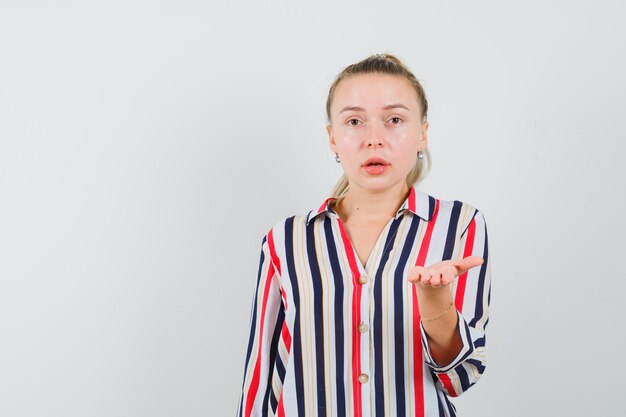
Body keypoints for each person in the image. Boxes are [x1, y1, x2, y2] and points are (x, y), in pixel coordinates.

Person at [236, 53, 492, 417]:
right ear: (332, 138)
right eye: (354, 121)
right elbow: (263, 381)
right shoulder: (286, 240)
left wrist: (435, 302)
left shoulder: (460, 225)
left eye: (395, 120)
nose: (374, 139)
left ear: (422, 134)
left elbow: (460, 378)